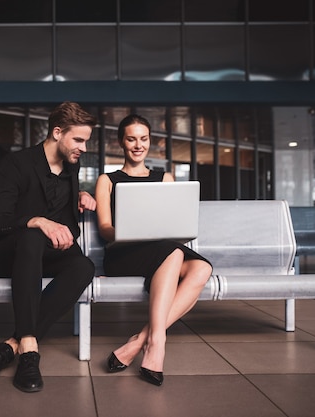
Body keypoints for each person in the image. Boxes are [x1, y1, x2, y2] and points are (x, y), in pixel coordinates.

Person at [0, 101, 98, 393]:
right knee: (32, 236)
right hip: (8, 253)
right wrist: (38, 221)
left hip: (45, 254)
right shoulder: (17, 163)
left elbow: (64, 216)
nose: (83, 147)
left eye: (86, 141)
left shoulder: (71, 164)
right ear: (57, 132)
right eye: (79, 140)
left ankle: (10, 346)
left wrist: (81, 196)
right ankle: (29, 353)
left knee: (84, 265)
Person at [94, 114, 213, 387]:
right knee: (174, 254)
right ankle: (157, 344)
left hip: (162, 249)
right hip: (123, 253)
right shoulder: (107, 179)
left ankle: (139, 341)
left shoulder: (165, 178)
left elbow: (171, 223)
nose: (138, 145)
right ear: (121, 142)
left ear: (150, 142)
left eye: (143, 139)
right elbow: (104, 227)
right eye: (131, 139)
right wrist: (128, 231)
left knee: (202, 267)